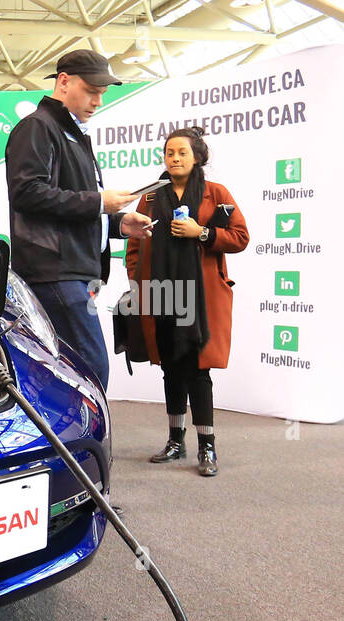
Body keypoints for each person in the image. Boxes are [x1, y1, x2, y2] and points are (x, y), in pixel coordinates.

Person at [5, 49, 153, 391]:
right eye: (91, 90)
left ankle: (67, 444)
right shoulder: (38, 128)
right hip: (56, 272)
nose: (98, 100)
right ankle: (82, 444)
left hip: (70, 272)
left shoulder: (70, 132)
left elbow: (70, 204)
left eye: (102, 93)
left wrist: (118, 224)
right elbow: (27, 193)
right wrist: (100, 201)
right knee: (90, 370)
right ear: (63, 81)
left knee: (66, 372)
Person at [124, 127, 248, 477]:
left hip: (202, 298)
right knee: (170, 367)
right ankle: (175, 441)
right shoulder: (150, 197)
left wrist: (202, 232)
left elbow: (240, 237)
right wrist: (139, 281)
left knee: (198, 370)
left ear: (197, 157)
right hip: (161, 294)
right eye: (169, 153)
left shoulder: (215, 193)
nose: (174, 158)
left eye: (181, 152)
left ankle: (207, 446)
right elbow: (134, 244)